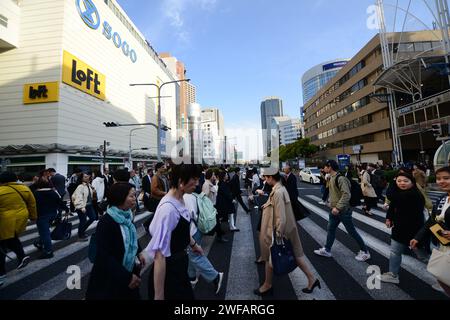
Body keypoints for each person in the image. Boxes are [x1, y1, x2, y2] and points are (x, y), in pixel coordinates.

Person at [255, 171, 319, 296]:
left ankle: (267, 285)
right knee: (296, 255)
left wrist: (279, 234)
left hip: (280, 231)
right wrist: (267, 205)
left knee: (270, 256)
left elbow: (281, 217)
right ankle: (312, 279)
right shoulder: (280, 188)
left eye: (266, 177)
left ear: (271, 177)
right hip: (288, 229)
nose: (265, 180)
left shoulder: (278, 192)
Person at [145, 164, 203, 300]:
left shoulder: (180, 198)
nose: (197, 183)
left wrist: (193, 244)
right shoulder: (168, 209)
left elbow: (179, 229)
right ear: (181, 182)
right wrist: (159, 296)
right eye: (194, 179)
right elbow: (160, 255)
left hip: (180, 266)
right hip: (169, 273)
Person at [86, 183, 146, 300]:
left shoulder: (127, 216)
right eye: (132, 196)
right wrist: (127, 277)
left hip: (128, 272)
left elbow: (131, 238)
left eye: (135, 195)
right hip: (111, 279)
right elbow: (104, 256)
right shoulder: (107, 222)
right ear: (120, 197)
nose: (135, 199)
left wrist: (139, 252)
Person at [314, 160, 371, 261]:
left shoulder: (341, 178)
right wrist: (330, 203)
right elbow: (333, 192)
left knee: (351, 231)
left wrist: (338, 207)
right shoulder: (331, 177)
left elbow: (346, 194)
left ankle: (365, 251)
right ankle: (327, 250)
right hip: (334, 210)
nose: (323, 169)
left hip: (343, 210)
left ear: (330, 167)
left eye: (325, 167)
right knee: (331, 229)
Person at [376, 172, 428, 285]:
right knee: (395, 252)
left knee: (423, 256)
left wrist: (393, 184)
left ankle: (443, 275)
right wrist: (389, 218)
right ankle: (393, 275)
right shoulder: (400, 193)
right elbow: (393, 205)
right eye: (399, 181)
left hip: (414, 231)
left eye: (405, 181)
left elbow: (391, 196)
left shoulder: (413, 194)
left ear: (412, 182)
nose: (402, 183)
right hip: (399, 229)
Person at [411, 166, 450, 296]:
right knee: (442, 277)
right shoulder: (443, 198)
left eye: (446, 178)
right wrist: (418, 237)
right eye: (438, 178)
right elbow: (431, 221)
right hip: (443, 244)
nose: (441, 181)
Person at [0, 172, 37, 287]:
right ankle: (21, 255)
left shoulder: (1, 191)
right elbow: (32, 203)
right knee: (11, 238)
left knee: (2, 245)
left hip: (5, 220)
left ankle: (1, 274)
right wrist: (33, 216)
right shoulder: (24, 188)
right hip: (21, 218)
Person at [184, 192, 224, 294]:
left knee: (195, 256)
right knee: (191, 255)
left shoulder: (184, 197)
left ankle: (215, 276)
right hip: (197, 229)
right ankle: (191, 277)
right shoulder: (192, 194)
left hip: (191, 232)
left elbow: (186, 218)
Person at [33, 176, 67, 259]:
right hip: (52, 214)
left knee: (45, 233)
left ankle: (48, 251)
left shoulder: (36, 194)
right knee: (45, 231)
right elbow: (60, 202)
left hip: (42, 216)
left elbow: (32, 205)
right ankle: (40, 243)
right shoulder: (52, 192)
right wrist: (67, 209)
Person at [72, 172, 96, 241]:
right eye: (85, 177)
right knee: (83, 220)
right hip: (82, 206)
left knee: (93, 218)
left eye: (87, 176)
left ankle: (81, 230)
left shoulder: (88, 185)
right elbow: (78, 197)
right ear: (81, 178)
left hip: (89, 205)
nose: (87, 177)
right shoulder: (80, 186)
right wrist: (81, 207)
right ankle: (80, 235)